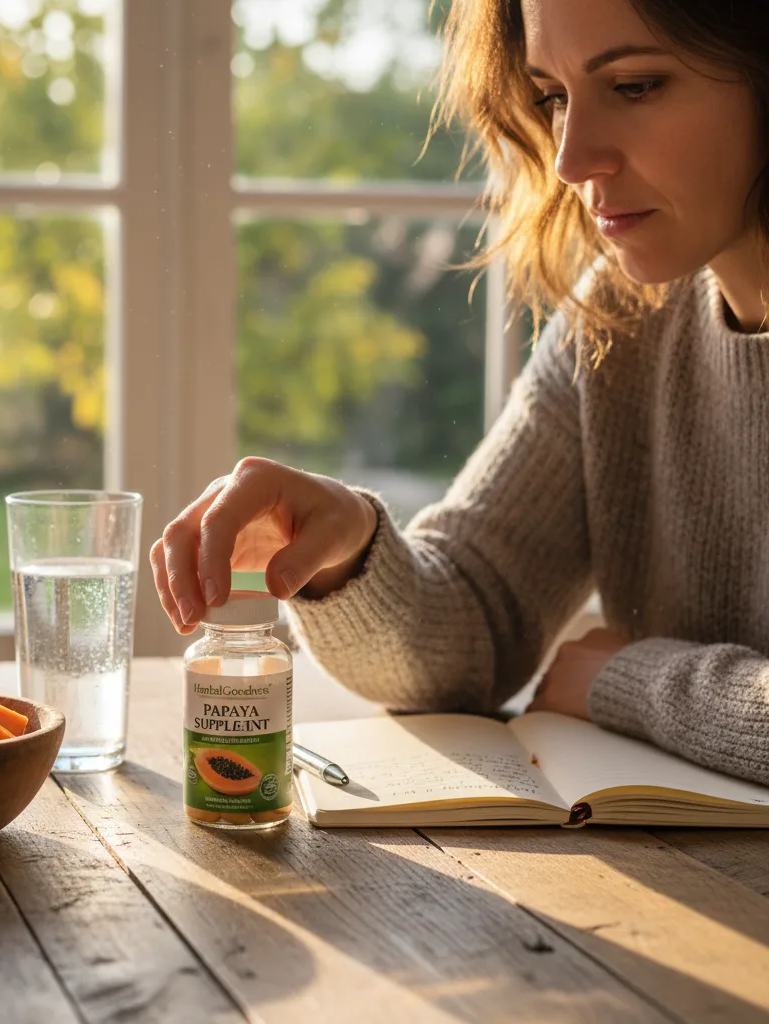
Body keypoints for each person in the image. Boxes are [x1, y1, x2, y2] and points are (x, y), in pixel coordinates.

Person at [152, 0, 769, 786]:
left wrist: (631, 681)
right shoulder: (620, 322)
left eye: (637, 85)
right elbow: (474, 624)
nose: (571, 159)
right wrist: (348, 550)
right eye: (553, 97)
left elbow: (595, 676)